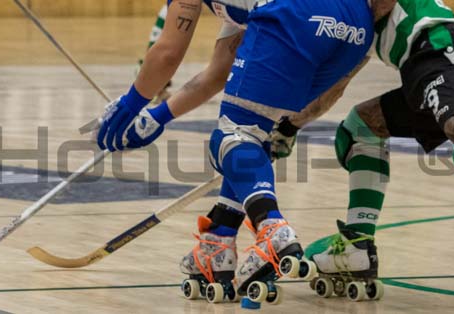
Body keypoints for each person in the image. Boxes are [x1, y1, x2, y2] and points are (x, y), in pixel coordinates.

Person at [94, 0, 374, 304]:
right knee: (251, 133)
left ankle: (272, 229)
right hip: (354, 26)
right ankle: (219, 242)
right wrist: (156, 117)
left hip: (297, 14)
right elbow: (217, 73)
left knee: (233, 137)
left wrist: (131, 104)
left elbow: (168, 53)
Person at [271, 0, 454, 299]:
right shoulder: (348, 18)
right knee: (360, 129)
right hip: (418, 66)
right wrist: (287, 128)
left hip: (441, 47)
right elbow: (336, 85)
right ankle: (358, 243)